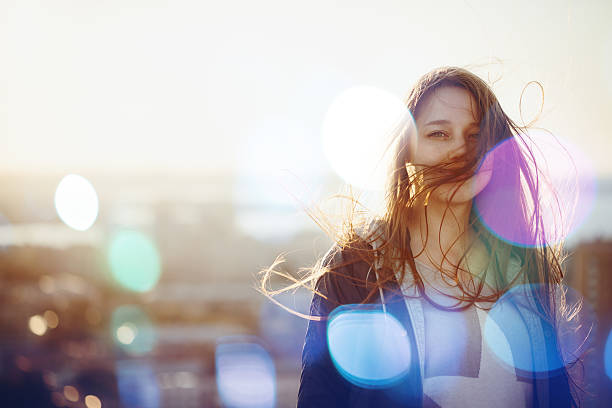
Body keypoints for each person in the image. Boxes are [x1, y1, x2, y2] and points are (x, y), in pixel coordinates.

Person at [261, 66, 584, 407]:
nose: (460, 150)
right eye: (438, 134)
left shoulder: (523, 271)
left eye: (475, 136)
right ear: (409, 150)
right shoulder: (359, 265)